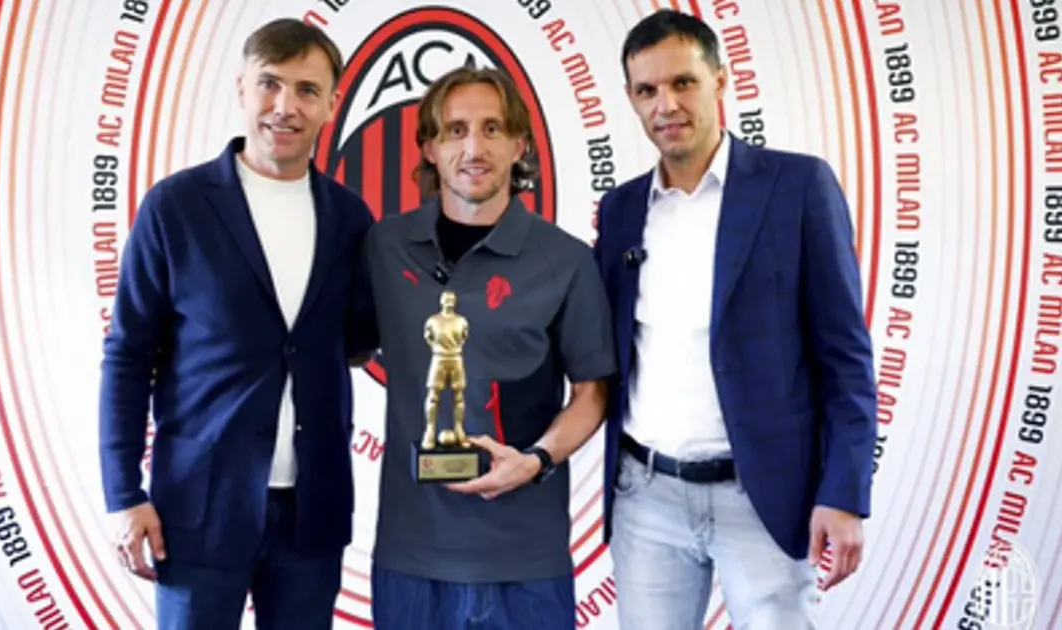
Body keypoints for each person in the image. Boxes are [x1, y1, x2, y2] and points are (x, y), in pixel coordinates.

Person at [593, 9, 878, 630]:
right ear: (631, 99)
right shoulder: (619, 211)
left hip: (765, 497)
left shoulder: (798, 186)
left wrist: (844, 492)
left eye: (683, 82)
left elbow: (846, 358)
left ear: (720, 80)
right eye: (647, 90)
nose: (666, 104)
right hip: (647, 500)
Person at [98, 18, 376, 630]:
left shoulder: (351, 219)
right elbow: (128, 355)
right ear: (242, 88)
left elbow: (357, 341)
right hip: (196, 511)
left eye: (307, 90)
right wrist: (123, 494)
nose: (285, 106)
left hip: (312, 516)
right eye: (270, 83)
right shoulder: (176, 207)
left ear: (332, 104)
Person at [361, 65, 617, 630]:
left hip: (525, 560)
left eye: (492, 129)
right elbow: (341, 346)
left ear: (520, 144)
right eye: (455, 130)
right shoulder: (383, 246)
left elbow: (593, 392)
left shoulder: (566, 261)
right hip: (411, 557)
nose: (474, 148)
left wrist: (536, 460)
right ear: (429, 148)